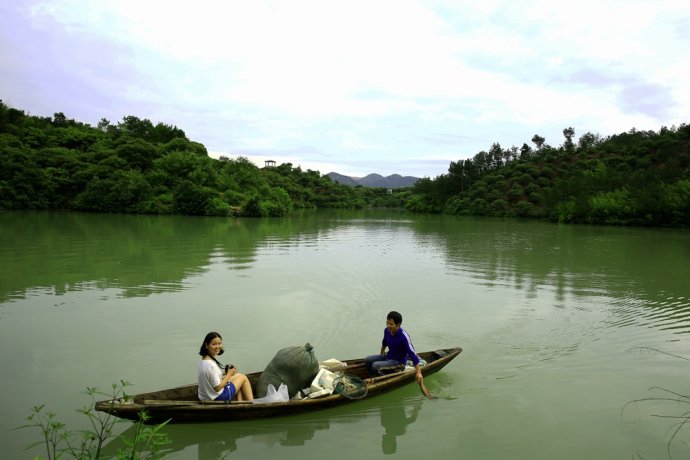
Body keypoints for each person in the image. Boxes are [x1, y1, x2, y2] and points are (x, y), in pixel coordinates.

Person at [365, 311, 424, 387]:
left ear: (398, 324)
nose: (388, 326)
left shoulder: (404, 337)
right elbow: (384, 343)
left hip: (399, 363)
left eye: (391, 324)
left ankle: (382, 383)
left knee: (375, 366)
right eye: (387, 323)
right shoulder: (387, 330)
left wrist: (419, 373)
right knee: (368, 360)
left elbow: (412, 353)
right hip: (389, 356)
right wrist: (381, 353)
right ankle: (373, 378)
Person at [198, 331, 254, 402]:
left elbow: (211, 378)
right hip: (218, 397)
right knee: (243, 378)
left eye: (219, 343)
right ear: (206, 345)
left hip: (206, 396)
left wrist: (225, 375)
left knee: (239, 376)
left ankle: (240, 402)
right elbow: (217, 388)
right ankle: (252, 404)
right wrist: (229, 374)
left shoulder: (203, 360)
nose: (218, 346)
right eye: (214, 344)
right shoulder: (211, 365)